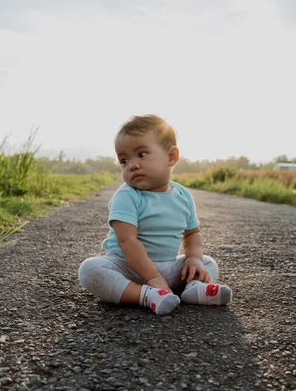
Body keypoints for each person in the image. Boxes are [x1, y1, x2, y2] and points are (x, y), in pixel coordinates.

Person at [78, 114, 232, 315]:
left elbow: (192, 234)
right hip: (126, 267)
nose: (132, 165)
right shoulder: (128, 195)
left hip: (166, 269)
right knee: (91, 270)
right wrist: (152, 278)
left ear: (171, 156)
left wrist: (193, 259)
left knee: (207, 262)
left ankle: (193, 289)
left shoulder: (183, 195)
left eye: (141, 154)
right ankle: (144, 295)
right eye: (124, 160)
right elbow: (127, 241)